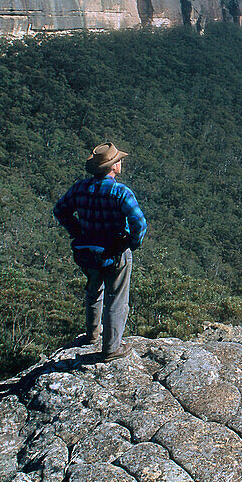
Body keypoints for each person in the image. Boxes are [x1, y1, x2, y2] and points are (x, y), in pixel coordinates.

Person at [54, 142, 147, 361]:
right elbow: (139, 223)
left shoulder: (80, 188)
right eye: (119, 161)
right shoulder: (120, 192)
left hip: (87, 250)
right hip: (115, 252)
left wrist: (77, 232)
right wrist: (132, 244)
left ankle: (91, 335)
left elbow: (60, 210)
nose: (121, 163)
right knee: (116, 298)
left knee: (94, 290)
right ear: (114, 167)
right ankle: (111, 348)